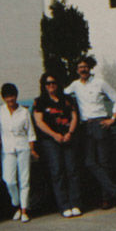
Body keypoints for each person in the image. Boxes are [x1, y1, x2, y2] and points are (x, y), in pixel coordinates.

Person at [65, 56, 116, 210]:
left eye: (85, 66)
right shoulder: (75, 85)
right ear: (77, 70)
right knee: (90, 162)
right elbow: (62, 94)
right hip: (85, 127)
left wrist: (112, 118)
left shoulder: (99, 82)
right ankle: (115, 191)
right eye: (80, 67)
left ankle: (107, 199)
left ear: (90, 68)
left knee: (104, 162)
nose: (82, 69)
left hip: (100, 124)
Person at [34, 71, 82, 218]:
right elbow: (39, 122)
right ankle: (64, 206)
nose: (51, 86)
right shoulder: (40, 101)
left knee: (72, 171)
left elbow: (74, 117)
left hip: (68, 138)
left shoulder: (67, 99)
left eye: (53, 82)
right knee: (57, 173)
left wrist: (69, 133)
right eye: (48, 83)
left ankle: (76, 204)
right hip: (50, 141)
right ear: (44, 85)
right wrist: (54, 135)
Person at [0, 82, 38, 223]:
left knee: (24, 180)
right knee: (9, 180)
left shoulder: (24, 111)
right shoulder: (0, 111)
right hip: (7, 149)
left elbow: (30, 133)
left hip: (23, 148)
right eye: (7, 97)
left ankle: (25, 210)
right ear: (4, 98)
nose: (10, 99)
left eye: (12, 96)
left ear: (16, 96)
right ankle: (16, 205)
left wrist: (32, 149)